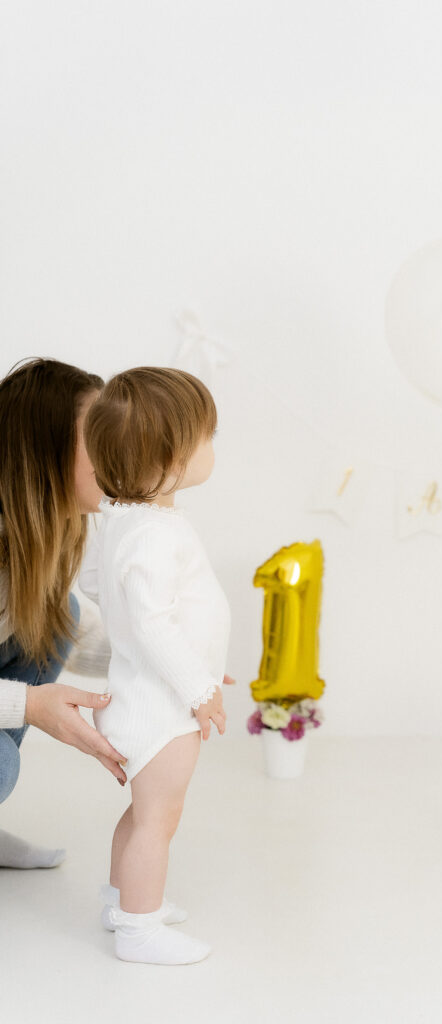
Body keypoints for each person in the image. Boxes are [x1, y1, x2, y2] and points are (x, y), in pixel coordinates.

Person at [80, 366, 232, 965]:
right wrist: (195, 686)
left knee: (143, 813)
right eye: (207, 438)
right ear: (169, 458)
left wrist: (197, 663)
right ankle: (141, 929)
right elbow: (149, 622)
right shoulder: (152, 534)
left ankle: (123, 902)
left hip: (151, 694)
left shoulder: (124, 521)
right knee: (158, 820)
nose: (214, 447)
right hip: (161, 711)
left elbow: (99, 584)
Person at [0, 358, 129, 871]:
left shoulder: (34, 540)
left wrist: (175, 660)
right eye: (96, 437)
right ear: (43, 451)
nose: (114, 451)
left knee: (56, 614)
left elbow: (79, 633)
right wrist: (30, 706)